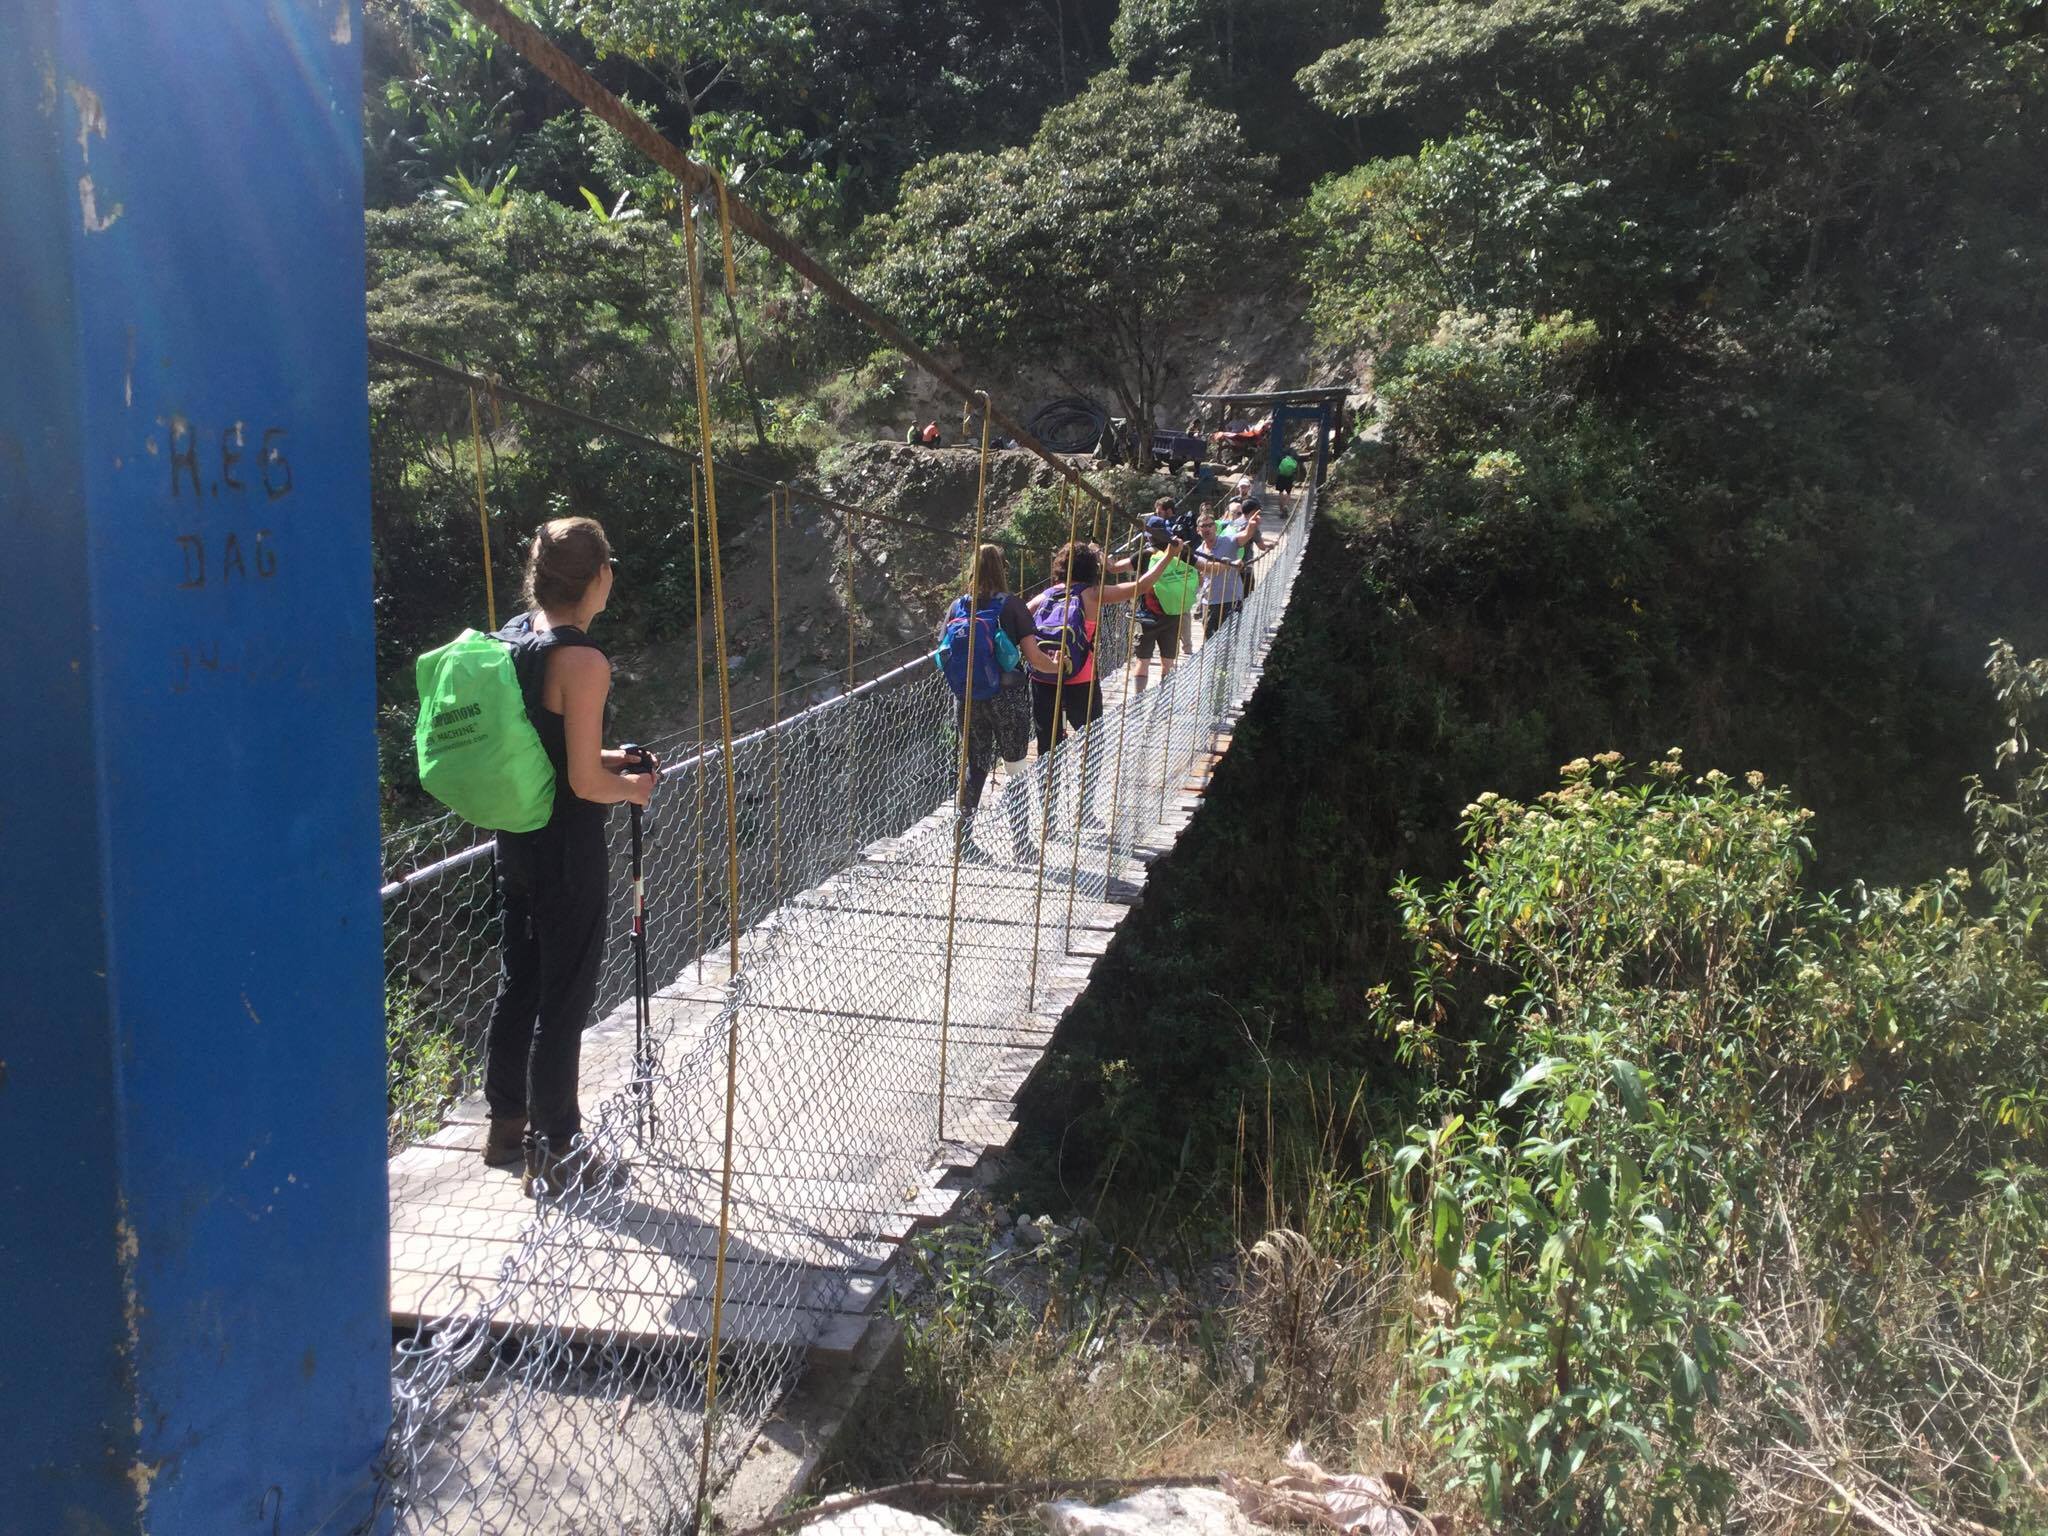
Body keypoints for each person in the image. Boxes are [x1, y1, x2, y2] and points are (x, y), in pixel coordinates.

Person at [482, 516, 658, 1199]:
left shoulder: (513, 641)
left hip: (516, 838)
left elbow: (548, 748)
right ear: (599, 576)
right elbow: (586, 784)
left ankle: (505, 1125)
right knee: (565, 997)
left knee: (519, 980)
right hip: (566, 848)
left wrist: (614, 760)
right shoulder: (583, 661)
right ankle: (558, 1149)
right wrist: (634, 786)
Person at [946, 543, 1058, 861]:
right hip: (1007, 697)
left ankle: (963, 843)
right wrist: (1060, 666)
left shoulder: (958, 607)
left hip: (967, 698)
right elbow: (1036, 658)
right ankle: (1022, 845)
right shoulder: (1011, 606)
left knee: (975, 766)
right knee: (1016, 767)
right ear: (1002, 569)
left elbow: (944, 652)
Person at [1028, 536, 1172, 756]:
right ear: (1090, 568)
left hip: (1043, 675)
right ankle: (1088, 787)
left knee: (1047, 746)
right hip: (1080, 677)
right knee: (1092, 742)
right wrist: (1170, 555)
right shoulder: (1093, 594)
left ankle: (1048, 788)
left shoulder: (1045, 596)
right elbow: (1142, 586)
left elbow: (1016, 620)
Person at [1131, 502, 1198, 696]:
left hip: (1146, 616)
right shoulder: (1181, 551)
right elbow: (1206, 567)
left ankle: (1138, 699)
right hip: (1172, 615)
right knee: (1168, 661)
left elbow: (1113, 568)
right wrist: (1230, 566)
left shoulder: (1142, 555)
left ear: (1149, 536)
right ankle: (1165, 699)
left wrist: (1099, 555)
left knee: (1142, 661)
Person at [1197, 509, 1247, 640]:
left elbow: (1246, 536)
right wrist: (1231, 564)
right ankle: (1214, 661)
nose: (1207, 528)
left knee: (1230, 638)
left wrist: (1252, 525)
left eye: (1210, 525)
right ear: (1198, 530)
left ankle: (1227, 661)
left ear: (1215, 527)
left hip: (1232, 598)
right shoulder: (1197, 552)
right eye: (1203, 526)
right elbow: (1204, 573)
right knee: (1210, 639)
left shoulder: (1228, 540)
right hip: (1210, 600)